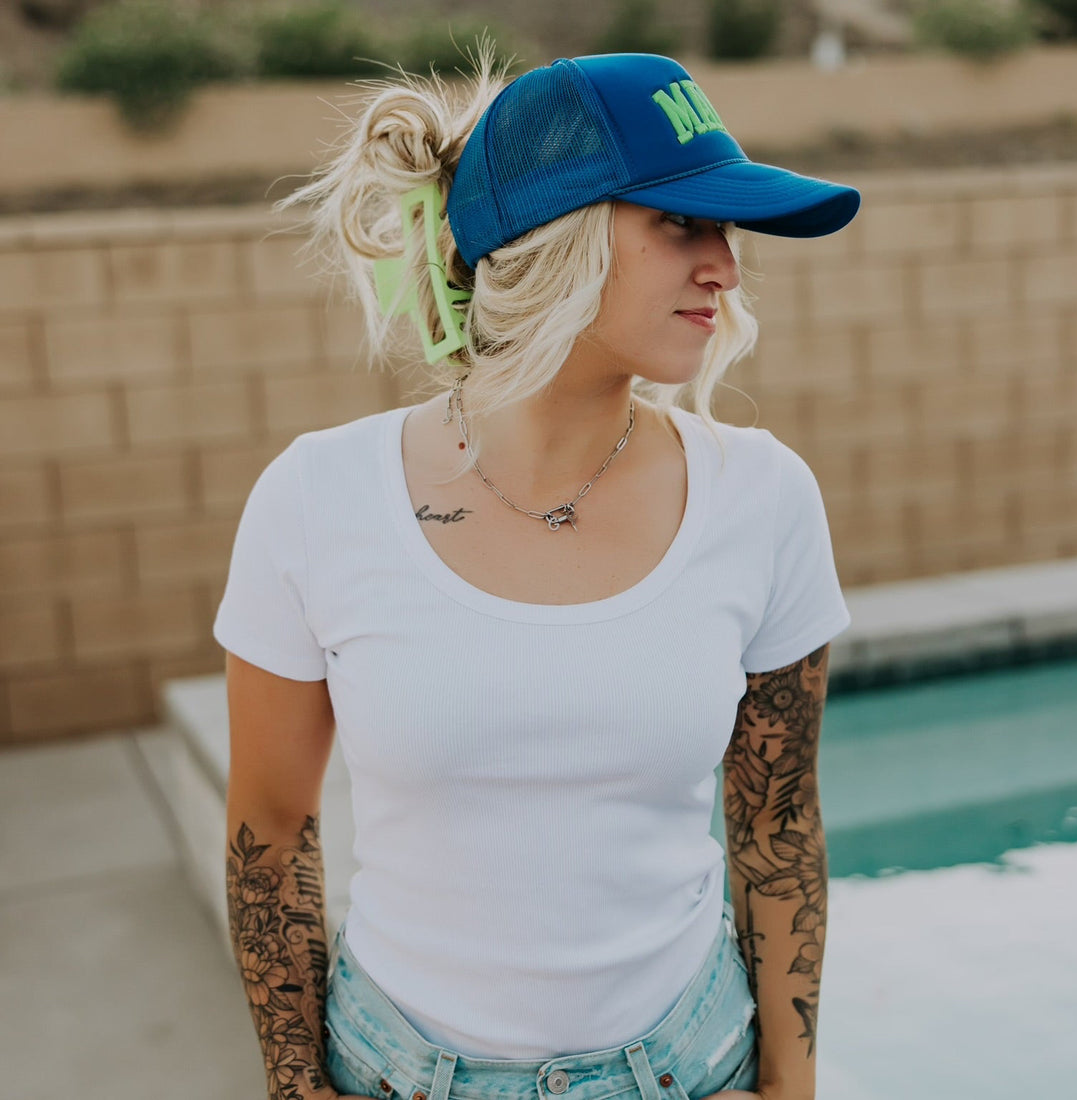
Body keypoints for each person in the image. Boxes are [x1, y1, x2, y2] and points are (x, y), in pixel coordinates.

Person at [213, 45, 859, 1100]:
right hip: (396, 1070)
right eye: (681, 224)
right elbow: (268, 829)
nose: (726, 269)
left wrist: (791, 1086)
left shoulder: (763, 498)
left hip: (691, 1066)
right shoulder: (315, 498)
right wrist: (296, 1087)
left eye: (726, 231)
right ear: (552, 239)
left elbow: (775, 821)